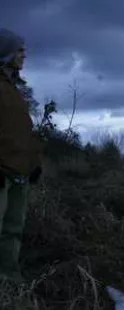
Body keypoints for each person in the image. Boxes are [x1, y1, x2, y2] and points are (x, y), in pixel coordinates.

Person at [0, 28, 43, 283]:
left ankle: (9, 281)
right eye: (19, 50)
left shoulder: (13, 88)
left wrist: (34, 164)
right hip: (2, 172)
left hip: (19, 172)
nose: (24, 55)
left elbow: (24, 131)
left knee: (13, 230)